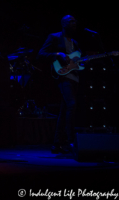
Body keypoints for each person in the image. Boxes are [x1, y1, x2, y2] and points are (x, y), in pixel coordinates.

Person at [37, 15, 80, 153]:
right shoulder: (54, 37)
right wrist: (57, 54)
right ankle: (70, 141)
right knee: (72, 105)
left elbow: (76, 62)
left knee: (64, 110)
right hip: (63, 76)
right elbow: (41, 54)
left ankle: (56, 144)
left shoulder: (75, 42)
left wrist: (81, 63)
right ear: (63, 24)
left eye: (75, 21)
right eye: (71, 21)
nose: (74, 23)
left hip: (73, 77)